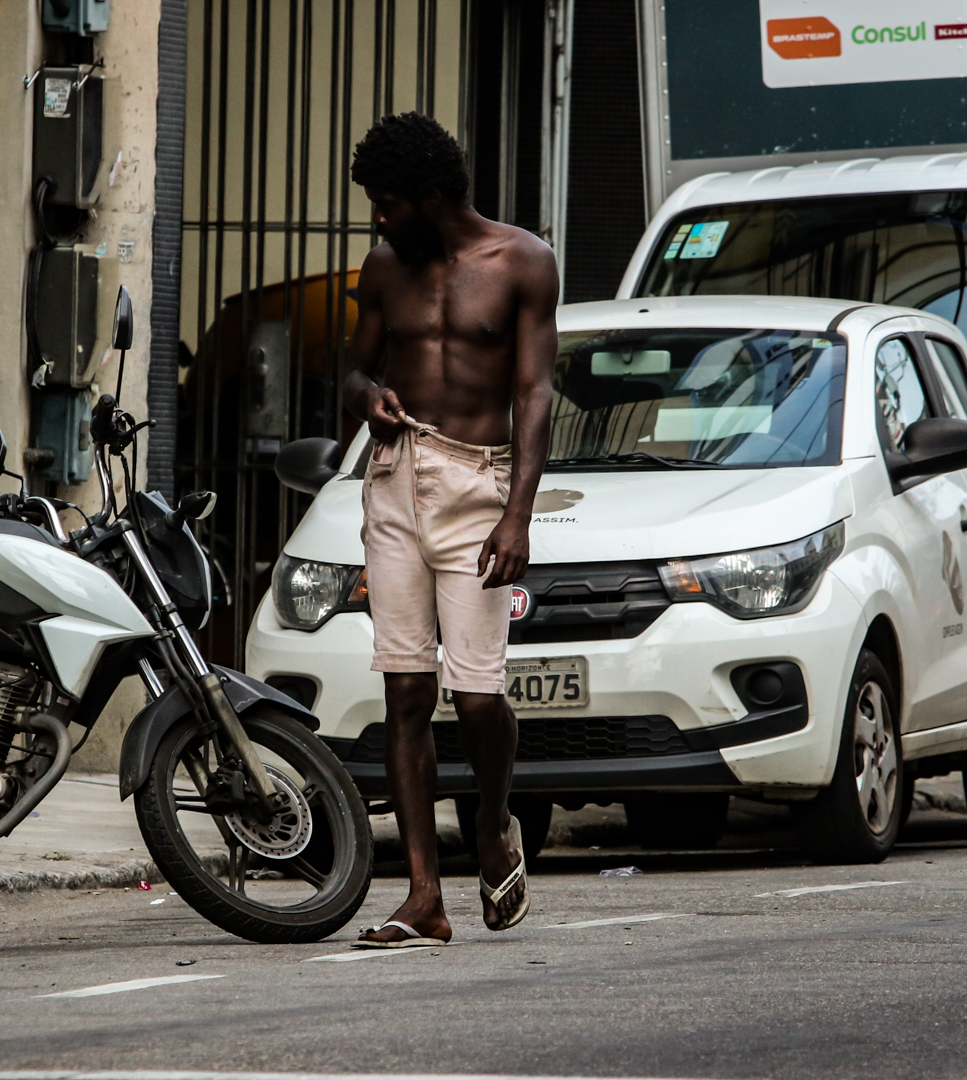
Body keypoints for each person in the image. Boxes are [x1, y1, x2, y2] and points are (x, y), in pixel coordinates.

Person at [342, 113, 557, 947]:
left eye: (387, 202)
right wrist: (366, 396)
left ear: (431, 196)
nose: (376, 218)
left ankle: (496, 822)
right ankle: (424, 897)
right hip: (395, 476)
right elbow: (354, 367)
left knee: (475, 695)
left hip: (479, 480)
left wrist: (518, 513)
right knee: (405, 689)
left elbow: (536, 390)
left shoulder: (522, 261)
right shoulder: (385, 268)